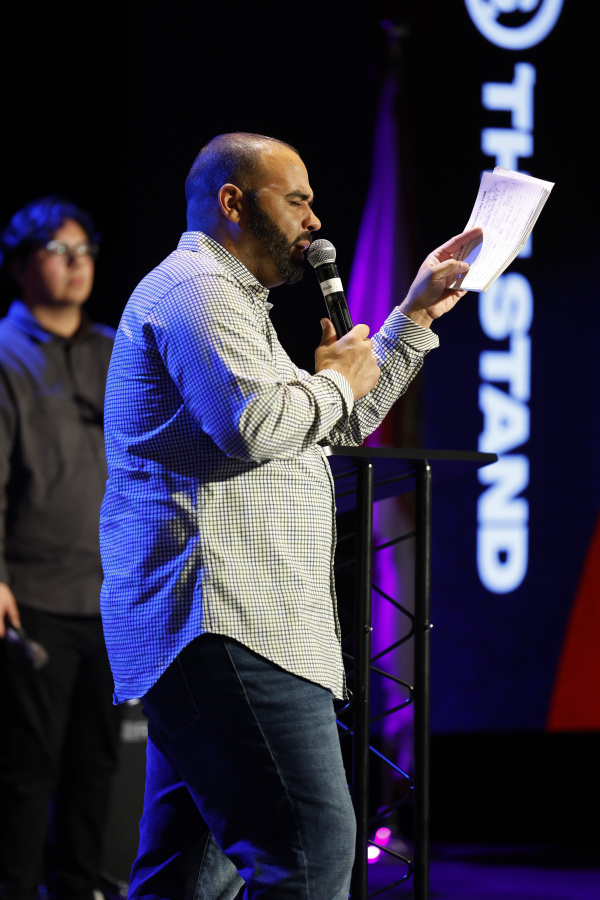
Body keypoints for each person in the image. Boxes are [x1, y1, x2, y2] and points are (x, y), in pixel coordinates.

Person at [99, 132, 481, 900]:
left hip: (233, 624)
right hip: (226, 623)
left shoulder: (235, 301)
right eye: (297, 200)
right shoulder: (197, 291)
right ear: (233, 202)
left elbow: (335, 422)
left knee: (187, 877)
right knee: (310, 852)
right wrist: (333, 383)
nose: (315, 220)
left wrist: (412, 317)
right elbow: (254, 426)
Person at [0, 197, 121, 900]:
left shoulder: (115, 349)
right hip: (33, 597)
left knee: (96, 767)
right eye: (58, 250)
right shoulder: (6, 353)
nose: (77, 264)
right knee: (25, 773)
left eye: (85, 251)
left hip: (112, 598)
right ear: (20, 266)